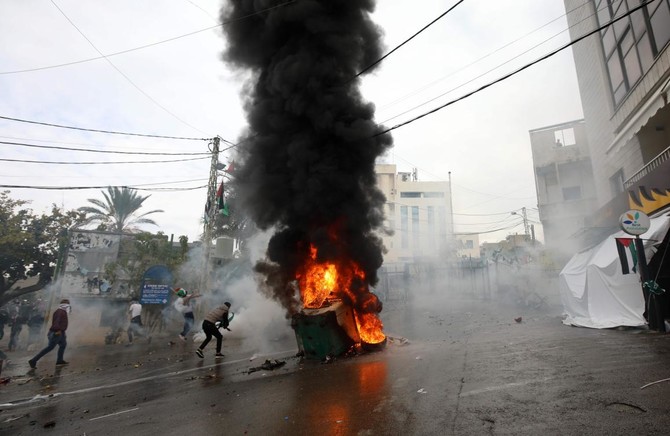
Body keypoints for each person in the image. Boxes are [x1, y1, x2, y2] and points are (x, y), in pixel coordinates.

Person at [28, 299, 71, 369]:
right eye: (67, 304)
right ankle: (33, 360)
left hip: (61, 332)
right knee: (50, 347)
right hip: (57, 332)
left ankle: (59, 360)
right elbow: (57, 322)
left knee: (63, 345)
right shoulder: (60, 312)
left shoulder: (62, 311)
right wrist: (58, 330)